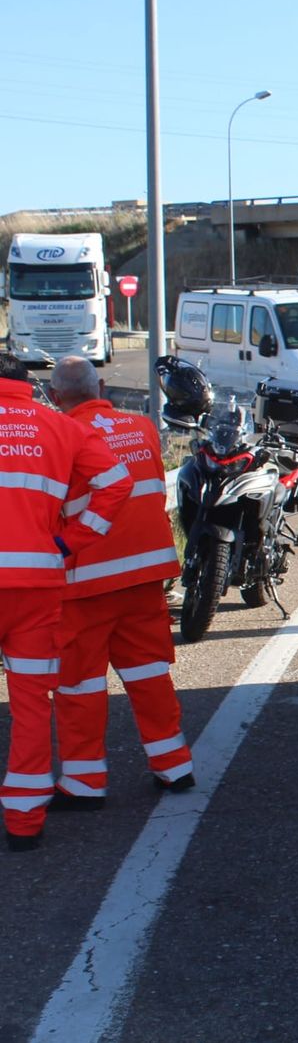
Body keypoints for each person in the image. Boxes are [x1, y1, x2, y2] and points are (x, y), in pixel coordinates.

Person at [47, 358, 193, 811]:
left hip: (88, 581)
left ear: (54, 397)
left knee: (79, 685)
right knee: (150, 673)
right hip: (147, 575)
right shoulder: (141, 427)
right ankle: (174, 766)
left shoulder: (61, 436)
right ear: (102, 386)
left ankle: (85, 783)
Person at [0, 352, 132, 851]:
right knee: (31, 704)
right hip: (37, 584)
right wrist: (71, 540)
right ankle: (25, 822)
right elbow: (116, 483)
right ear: (25, 386)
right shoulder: (59, 426)